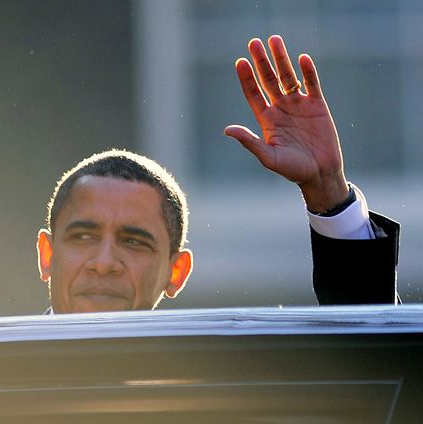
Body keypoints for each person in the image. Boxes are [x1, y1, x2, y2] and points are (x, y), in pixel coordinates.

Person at [37, 36, 399, 312]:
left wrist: (327, 191)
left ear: (175, 272)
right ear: (47, 255)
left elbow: (374, 364)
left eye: (133, 242)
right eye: (83, 237)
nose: (104, 264)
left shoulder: (221, 398)